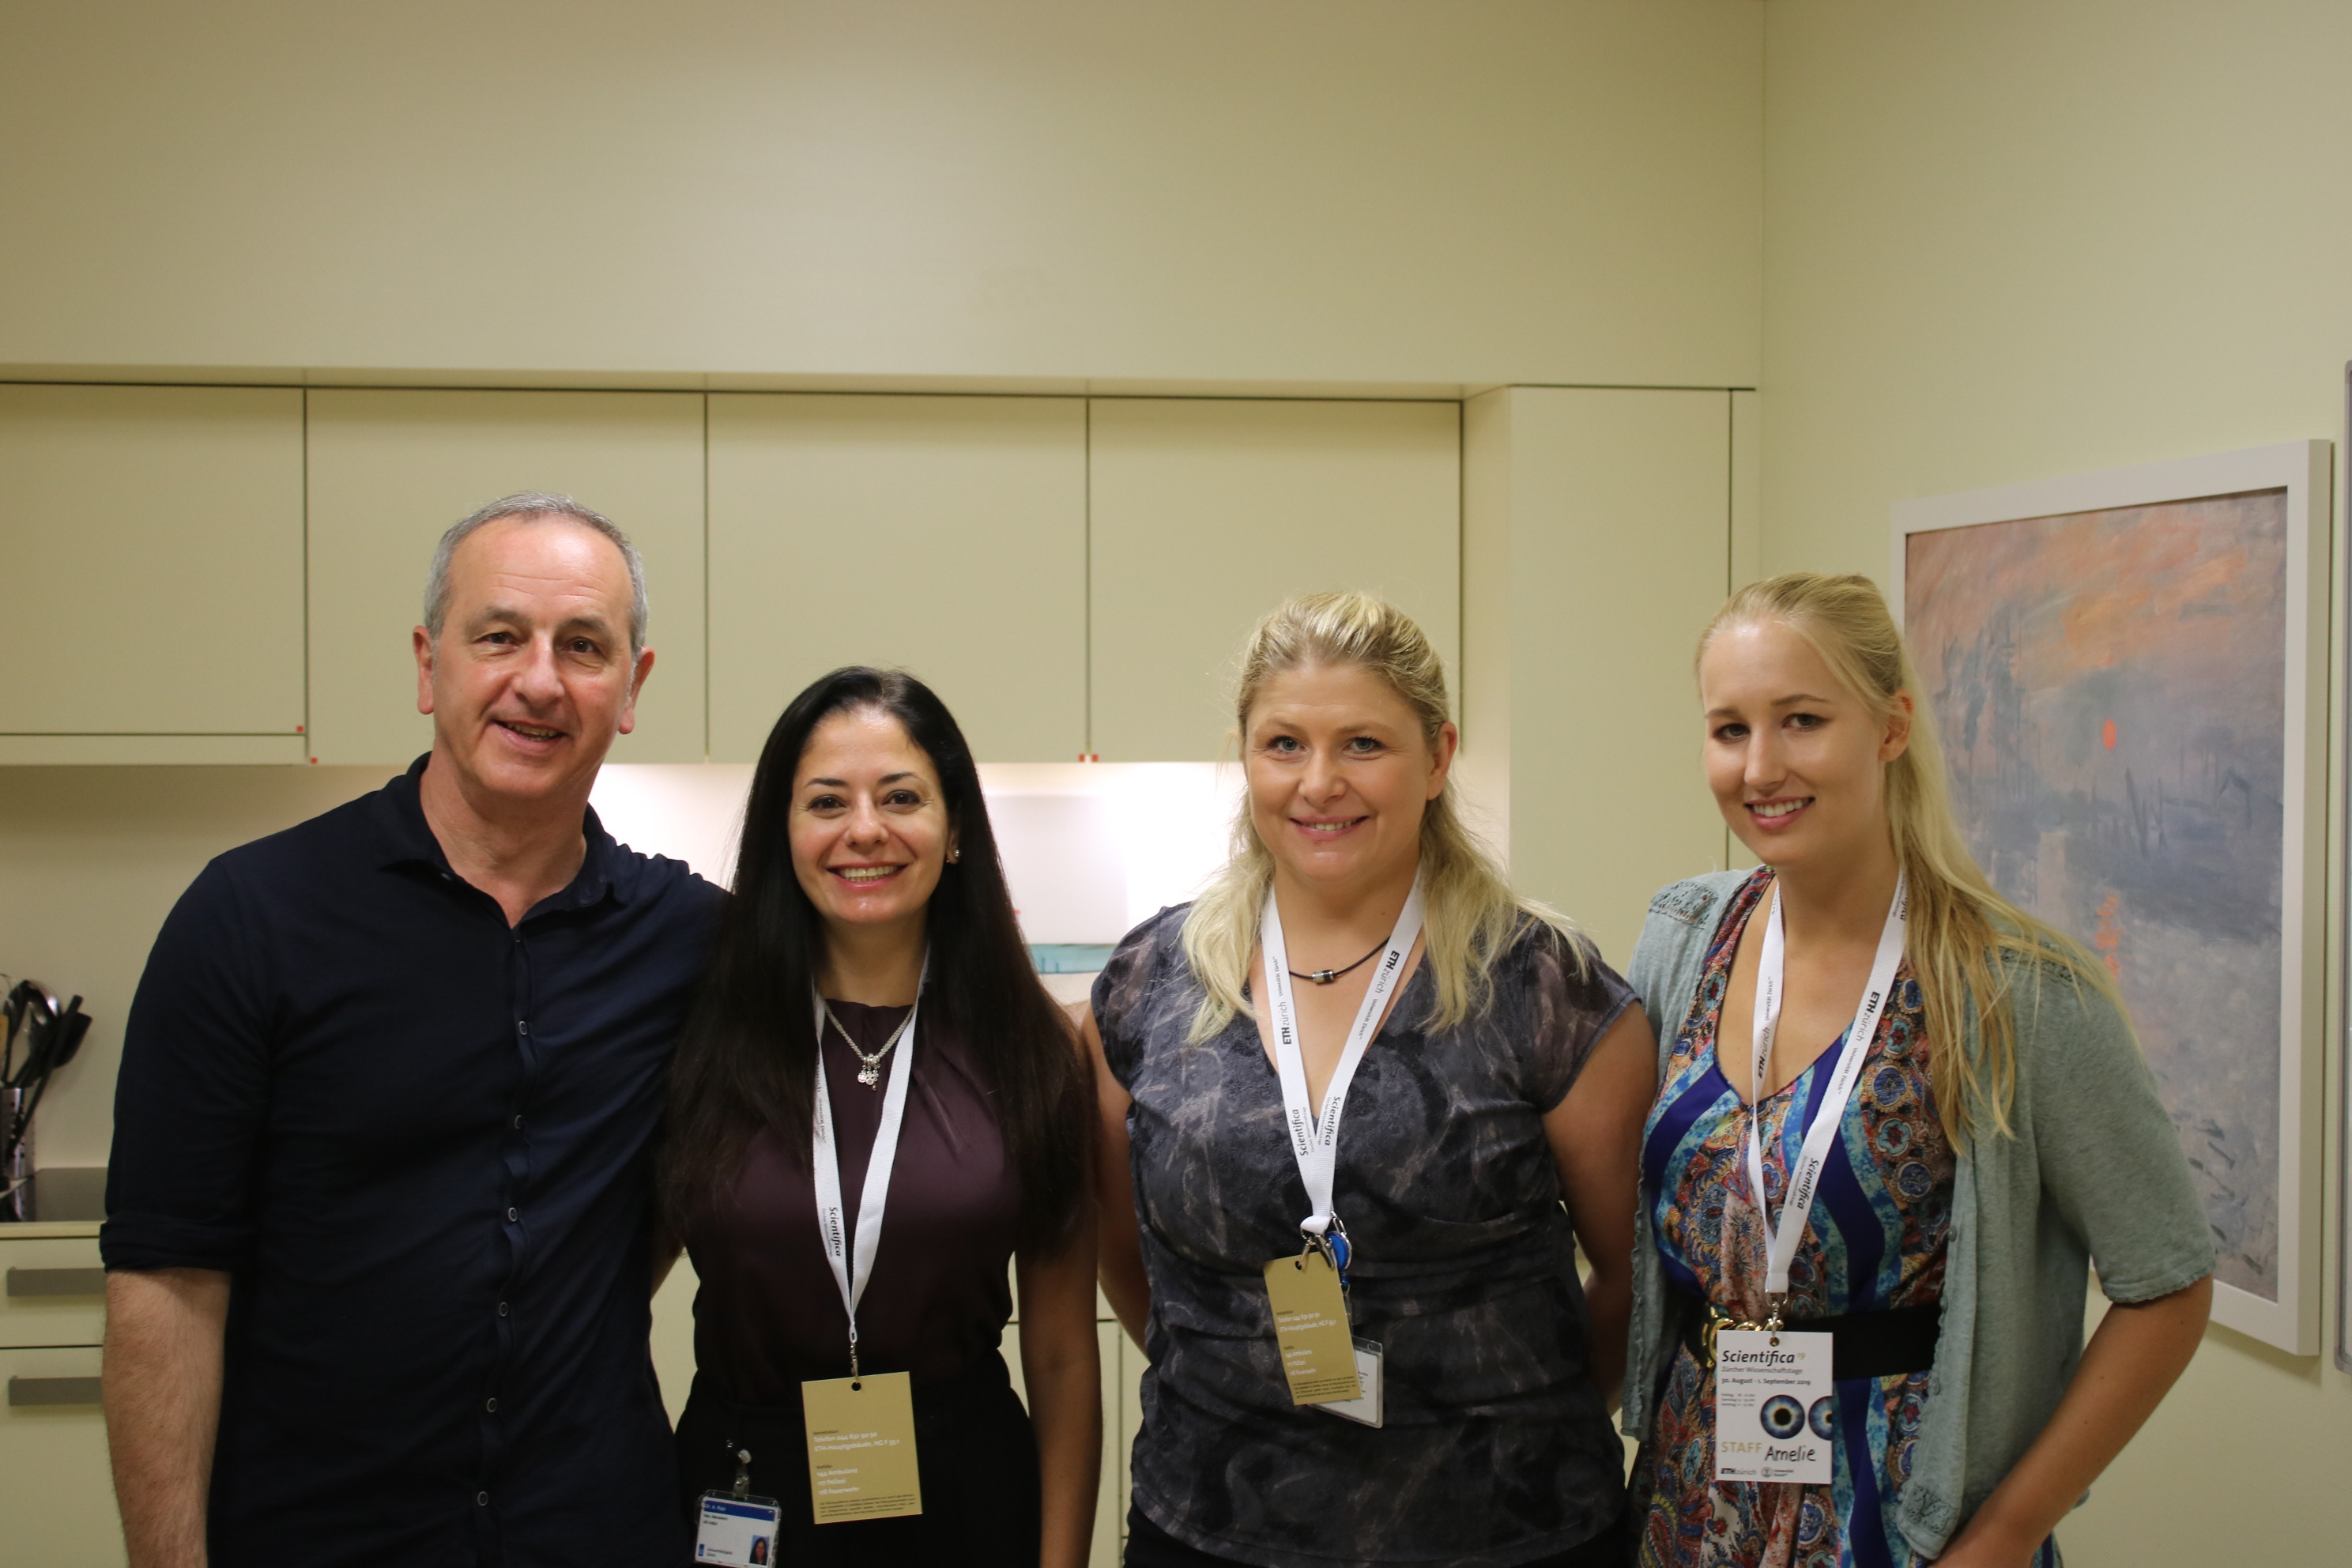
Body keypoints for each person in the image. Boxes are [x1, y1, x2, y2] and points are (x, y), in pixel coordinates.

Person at [100, 494, 720, 1566]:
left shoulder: (693, 941)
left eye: (583, 646)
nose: (540, 680)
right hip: (320, 1532)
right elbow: (166, 1283)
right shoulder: (252, 917)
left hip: (594, 1528)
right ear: (430, 665)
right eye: (500, 636)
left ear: (632, 687)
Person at [1623, 573, 2214, 1568]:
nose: (1760, 767)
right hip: (1689, 1501)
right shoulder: (1687, 934)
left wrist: (2009, 1532)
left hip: (1906, 1524)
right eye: (1730, 729)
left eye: (1802, 720)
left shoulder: (2018, 991)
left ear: (1891, 726)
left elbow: (2169, 1285)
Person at [1089, 591, 1657, 1568]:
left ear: (1437, 758)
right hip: (1213, 1526)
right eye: (1284, 744)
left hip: (1508, 1534)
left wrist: (1509, 1419)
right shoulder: (1151, 984)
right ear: (1246, 757)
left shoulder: (1546, 988)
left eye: (1363, 744)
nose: (1320, 783)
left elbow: (1633, 1278)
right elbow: (1129, 1260)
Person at [663, 667, 1100, 1567]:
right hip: (745, 1492)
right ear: (783, 831)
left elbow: (1061, 1357)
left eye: (901, 797)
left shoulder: (1034, 1050)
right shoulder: (696, 1035)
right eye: (827, 801)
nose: (865, 829)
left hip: (963, 1500)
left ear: (956, 829)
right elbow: (604, 1299)